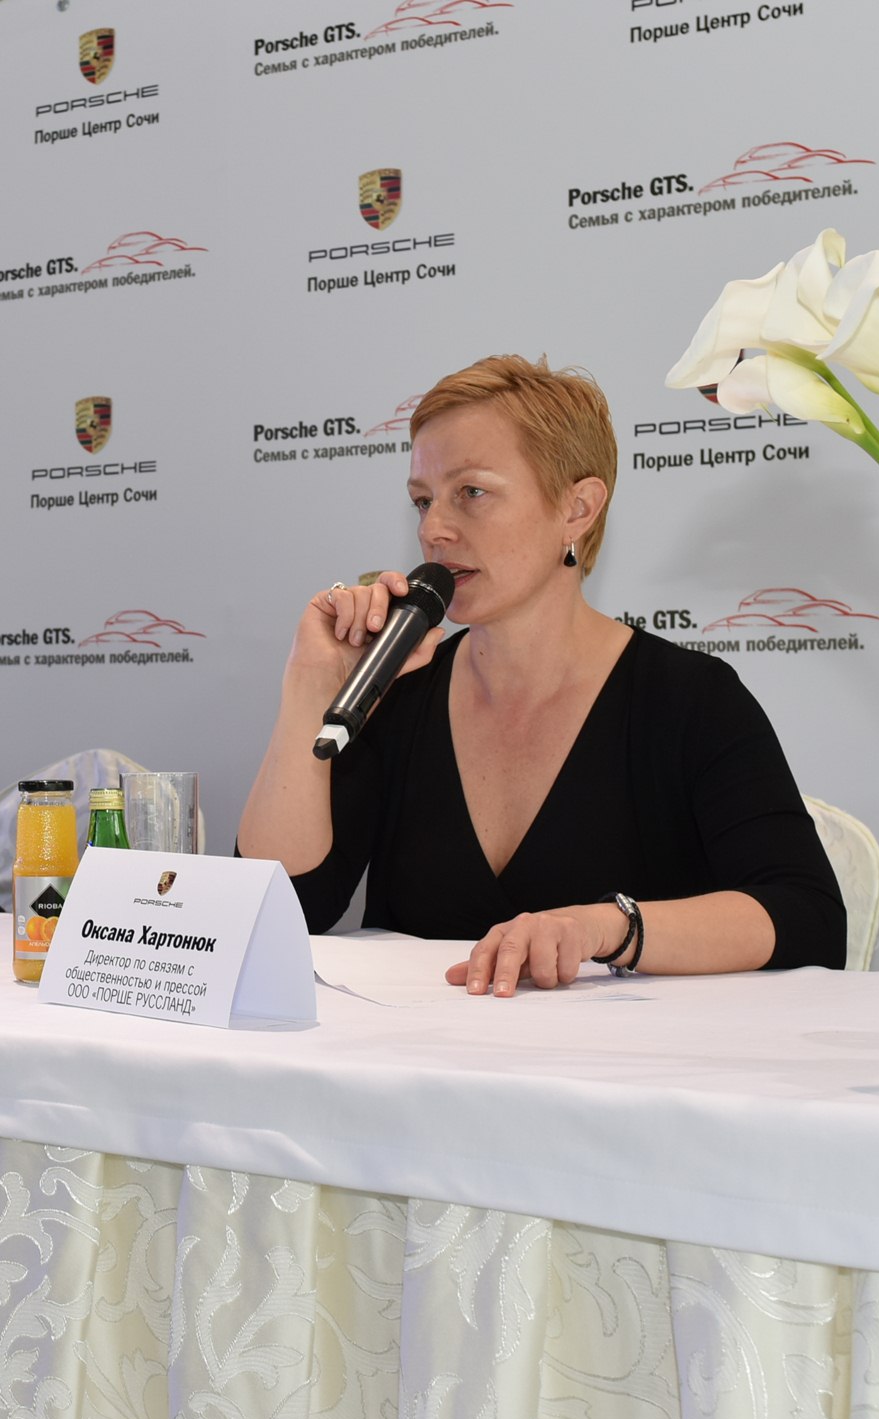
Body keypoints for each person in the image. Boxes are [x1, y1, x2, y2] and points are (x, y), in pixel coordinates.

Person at [238, 355, 845, 994]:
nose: (433, 529)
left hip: (623, 1056)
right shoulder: (402, 686)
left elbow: (806, 917)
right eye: (422, 501)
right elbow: (278, 912)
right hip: (420, 1051)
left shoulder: (691, 698)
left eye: (471, 493)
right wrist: (311, 686)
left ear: (577, 509)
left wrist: (605, 927)